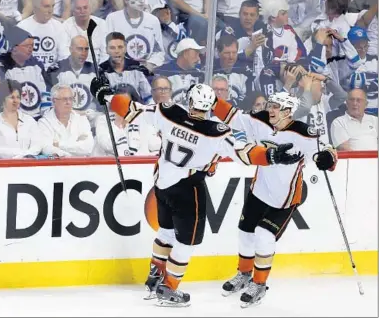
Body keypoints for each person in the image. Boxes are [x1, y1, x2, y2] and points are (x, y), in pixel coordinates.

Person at [90, 77, 303, 307]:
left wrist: (106, 94)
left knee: (165, 232)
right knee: (185, 242)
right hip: (188, 191)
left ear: (189, 100)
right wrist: (271, 156)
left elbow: (130, 109)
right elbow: (245, 154)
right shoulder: (215, 132)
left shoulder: (167, 112)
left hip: (161, 186)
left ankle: (154, 276)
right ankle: (170, 286)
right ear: (211, 105)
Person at [211, 91, 338, 307]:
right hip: (258, 191)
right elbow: (232, 116)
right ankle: (244, 274)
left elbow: (325, 151)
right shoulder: (260, 120)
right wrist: (212, 101)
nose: (270, 109)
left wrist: (327, 158)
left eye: (276, 107)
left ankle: (259, 285)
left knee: (263, 236)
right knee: (245, 233)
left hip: (284, 200)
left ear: (288, 111)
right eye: (270, 105)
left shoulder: (303, 132)